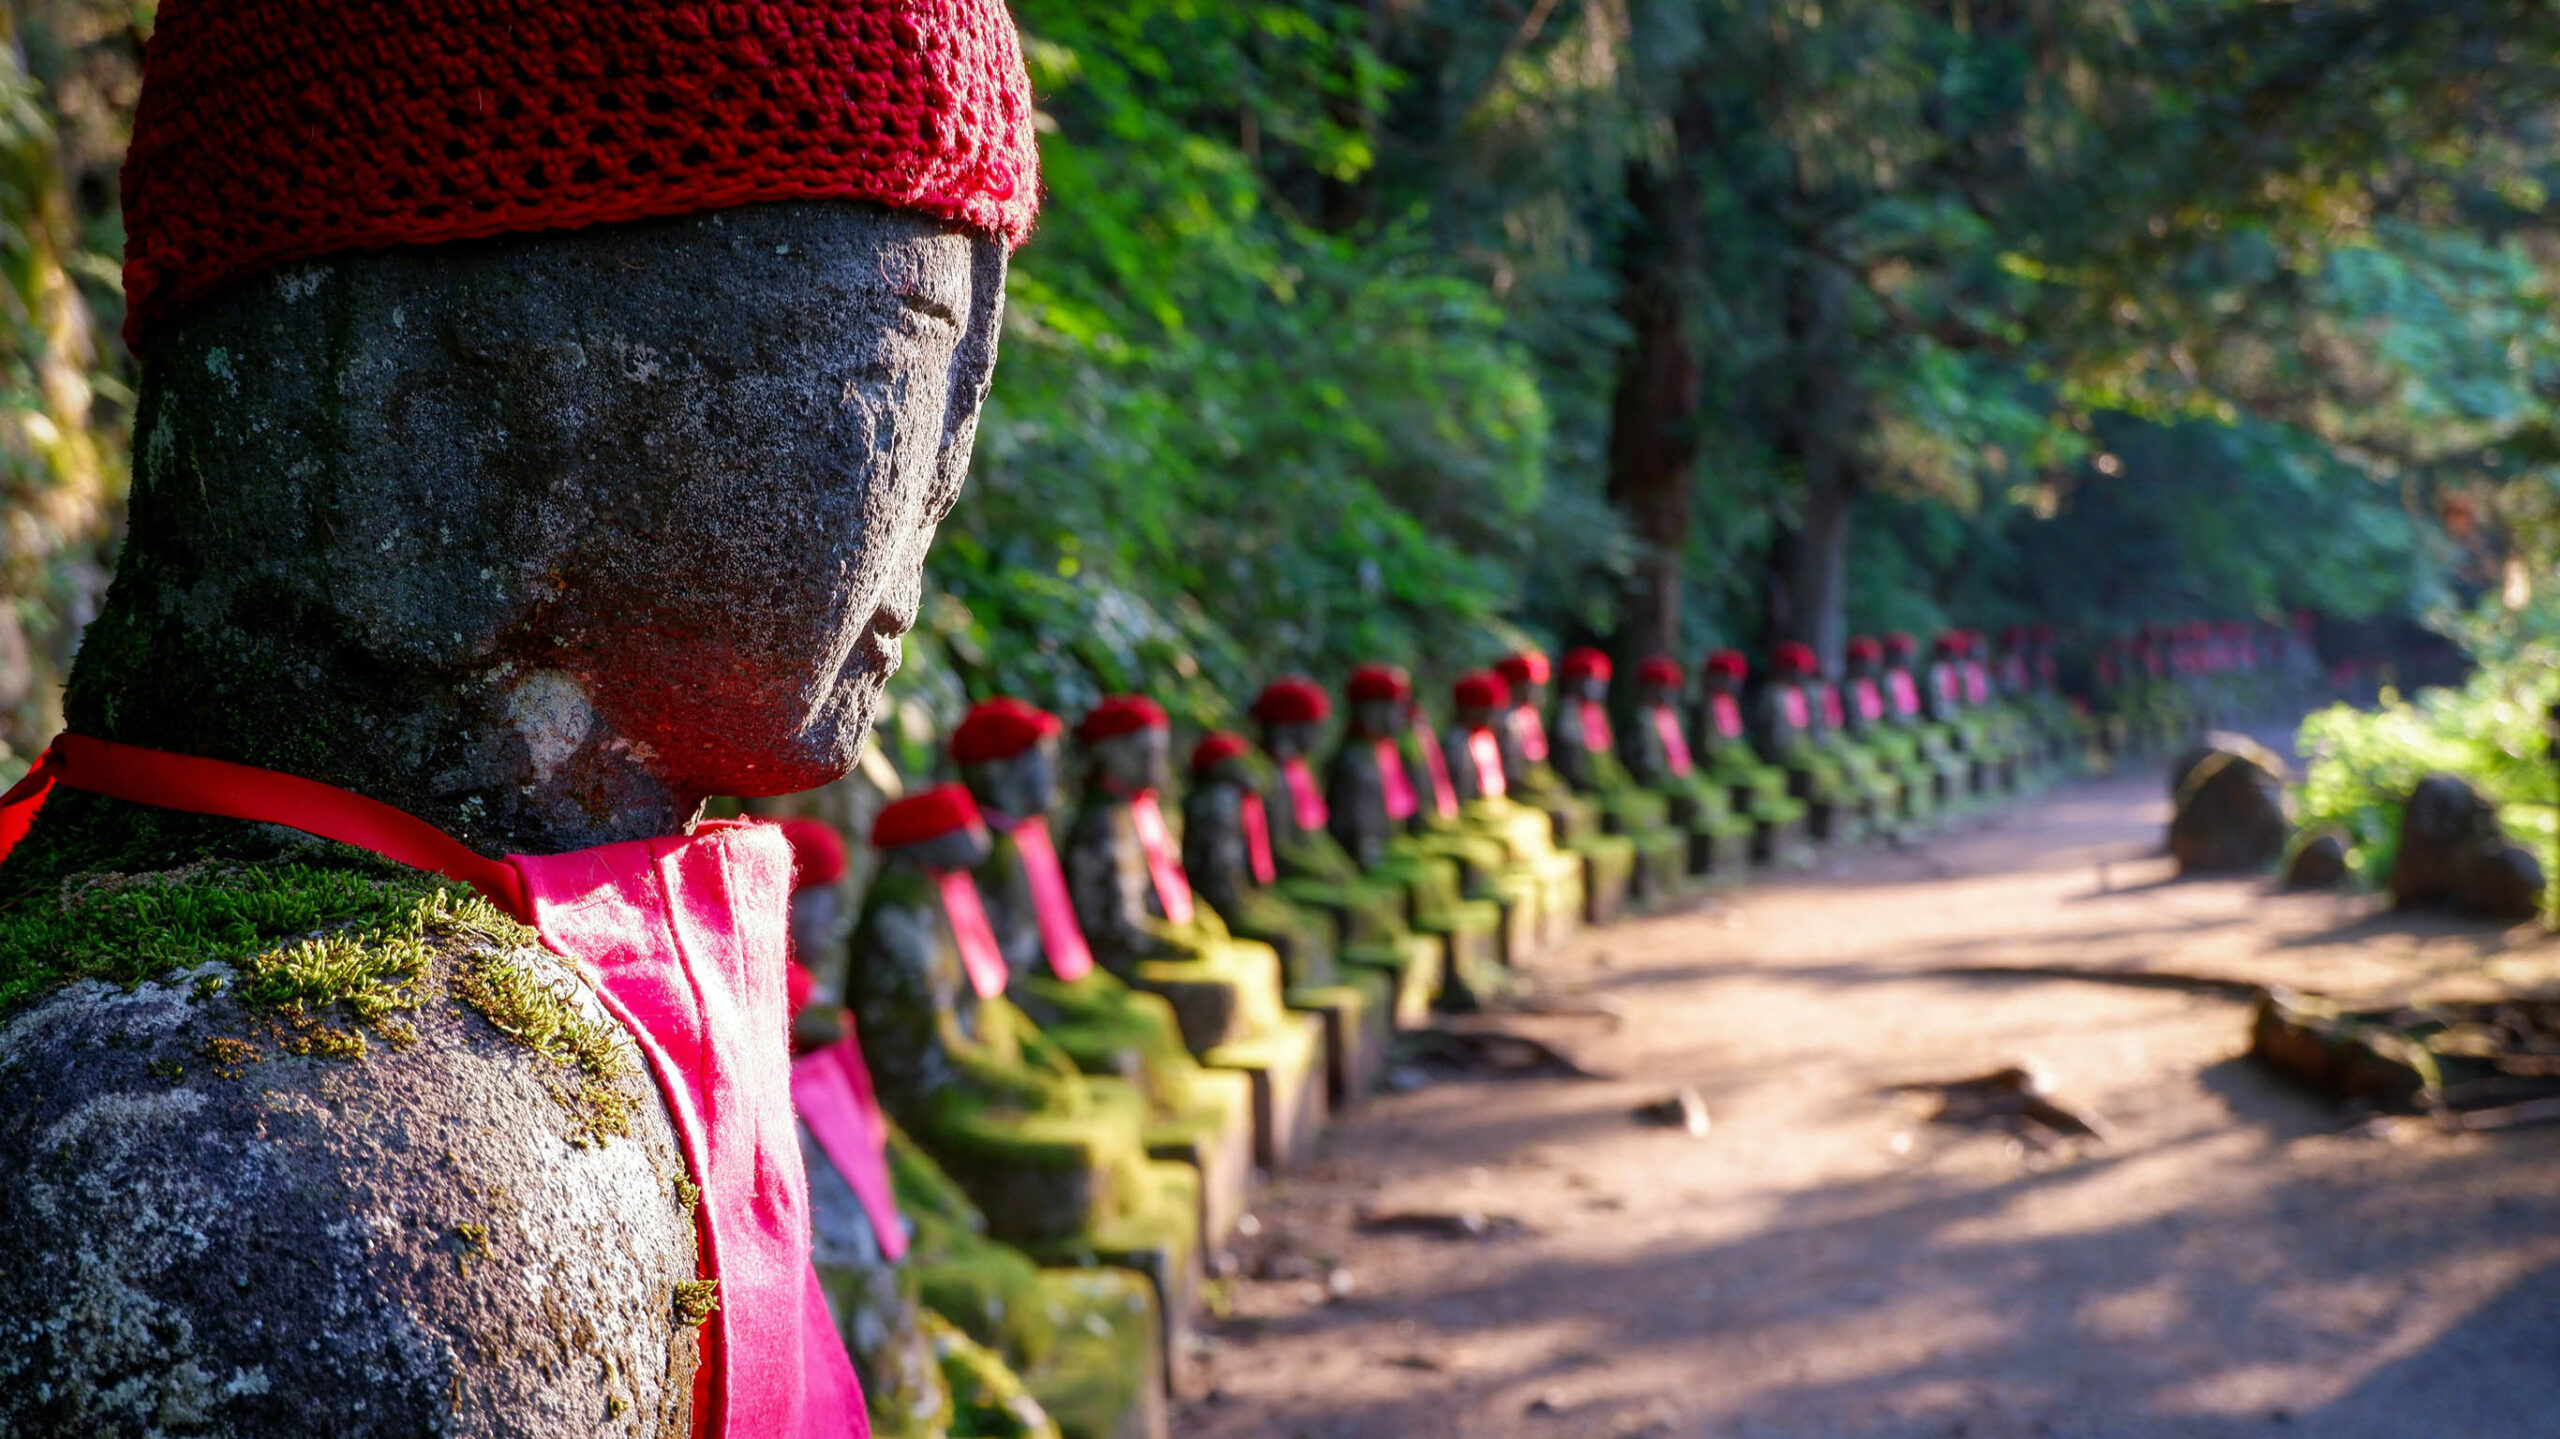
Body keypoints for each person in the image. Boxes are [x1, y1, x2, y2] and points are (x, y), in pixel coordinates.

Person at [0, 0, 1038, 1430]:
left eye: (964, 400)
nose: (934, 498)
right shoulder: (299, 1189)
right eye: (888, 374)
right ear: (414, 417)